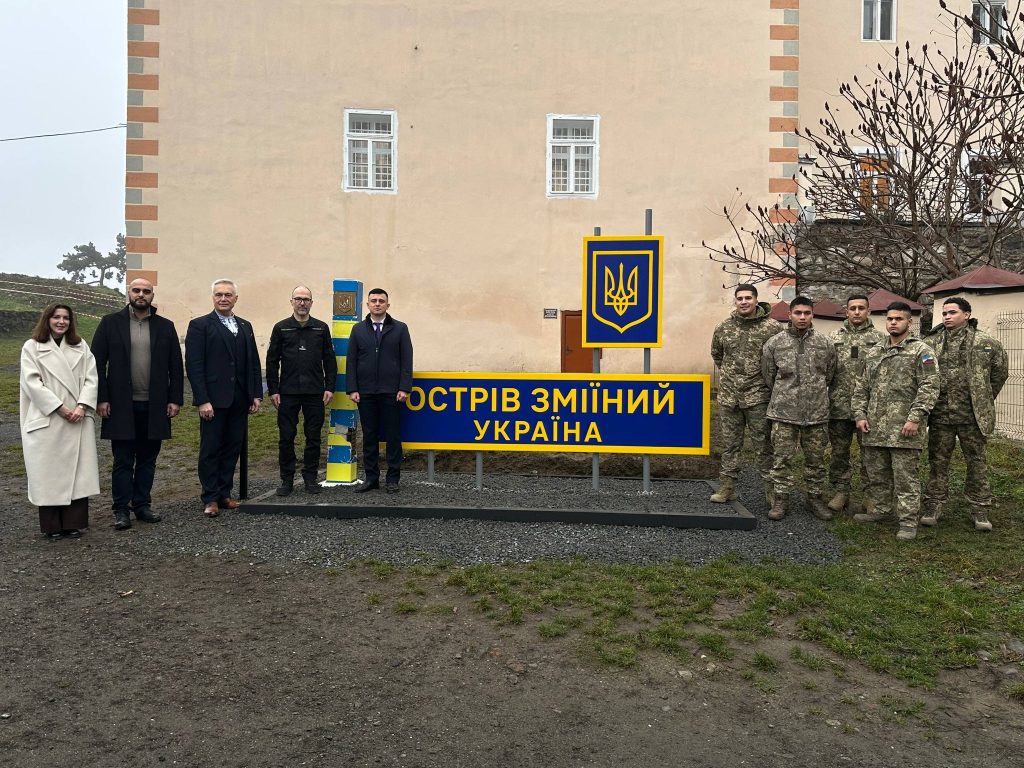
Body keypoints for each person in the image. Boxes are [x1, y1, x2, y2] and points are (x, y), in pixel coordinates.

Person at [92, 278, 185, 530]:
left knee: (147, 459)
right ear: (129, 293)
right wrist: (101, 397)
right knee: (123, 460)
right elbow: (96, 363)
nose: (141, 294)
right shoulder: (110, 323)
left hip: (155, 404)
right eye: (136, 290)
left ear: (152, 295)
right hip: (121, 404)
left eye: (146, 291)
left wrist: (175, 399)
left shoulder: (165, 326)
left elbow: (176, 366)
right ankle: (121, 509)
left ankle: (142, 505)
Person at [852, 302, 939, 541]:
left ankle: (908, 521)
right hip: (875, 426)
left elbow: (930, 386)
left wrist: (915, 418)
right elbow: (861, 386)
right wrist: (860, 415)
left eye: (898, 319)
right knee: (877, 474)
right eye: (890, 319)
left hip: (904, 428)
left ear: (909, 322)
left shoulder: (922, 351)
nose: (893, 323)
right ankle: (881, 510)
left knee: (905, 478)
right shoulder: (875, 351)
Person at [921, 297, 1009, 531]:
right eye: (944, 313)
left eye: (952, 312)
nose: (947, 317)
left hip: (972, 416)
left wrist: (983, 397)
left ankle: (980, 508)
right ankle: (933, 504)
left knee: (977, 462)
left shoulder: (986, 342)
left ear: (967, 314)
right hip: (941, 415)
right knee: (937, 461)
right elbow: (923, 373)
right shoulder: (930, 343)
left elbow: (1000, 373)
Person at [19, 303, 100, 538]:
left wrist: (82, 406)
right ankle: (52, 526)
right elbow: (32, 383)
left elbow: (91, 379)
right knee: (48, 474)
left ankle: (74, 523)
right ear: (47, 319)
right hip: (48, 418)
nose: (61, 322)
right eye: (56, 317)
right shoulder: (32, 347)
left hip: (78, 417)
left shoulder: (80, 346)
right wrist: (61, 408)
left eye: (66, 317)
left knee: (78, 474)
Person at [185, 279, 262, 517]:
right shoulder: (200, 325)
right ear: (213, 297)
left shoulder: (245, 326)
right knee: (211, 448)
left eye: (228, 295)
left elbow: (253, 362)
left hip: (239, 398)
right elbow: (194, 365)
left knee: (232, 447)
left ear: (235, 298)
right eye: (219, 294)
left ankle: (224, 493)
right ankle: (210, 497)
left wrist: (255, 394)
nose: (223, 298)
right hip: (213, 400)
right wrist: (202, 400)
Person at [761, 296, 837, 521]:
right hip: (784, 413)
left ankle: (815, 498)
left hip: (816, 413)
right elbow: (769, 376)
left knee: (816, 461)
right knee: (781, 459)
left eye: (806, 313)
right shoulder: (774, 343)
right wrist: (786, 395)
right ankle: (780, 499)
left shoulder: (825, 343)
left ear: (812, 315)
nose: (802, 317)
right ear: (790, 315)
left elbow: (829, 374)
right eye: (798, 313)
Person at [709, 283, 784, 504]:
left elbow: (780, 359)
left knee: (764, 446)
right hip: (729, 397)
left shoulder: (772, 328)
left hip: (758, 397)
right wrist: (733, 377)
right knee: (730, 445)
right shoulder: (724, 327)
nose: (744, 302)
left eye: (748, 298)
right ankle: (727, 487)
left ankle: (771, 491)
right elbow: (717, 354)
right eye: (740, 298)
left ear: (756, 300)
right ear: (735, 301)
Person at [266, 285, 337, 496]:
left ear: (311, 303)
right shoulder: (281, 328)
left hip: (315, 392)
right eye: (298, 299)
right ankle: (287, 479)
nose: (302, 303)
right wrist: (273, 389)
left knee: (313, 437)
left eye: (306, 299)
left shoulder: (320, 329)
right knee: (286, 437)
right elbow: (272, 361)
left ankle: (310, 478)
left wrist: (329, 387)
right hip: (287, 392)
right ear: (292, 302)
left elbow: (329, 360)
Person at [346, 288, 413, 493]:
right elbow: (351, 361)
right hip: (365, 392)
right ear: (367, 305)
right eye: (373, 300)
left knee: (393, 436)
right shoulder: (358, 330)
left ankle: (392, 479)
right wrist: (352, 388)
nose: (377, 304)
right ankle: (371, 478)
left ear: (387, 305)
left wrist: (404, 387)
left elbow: (406, 360)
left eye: (381, 301)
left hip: (392, 392)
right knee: (369, 436)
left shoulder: (400, 328)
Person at [826, 294, 886, 514]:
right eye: (853, 308)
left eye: (861, 308)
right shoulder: (833, 337)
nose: (857, 312)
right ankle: (841, 491)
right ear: (847, 311)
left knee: (870, 454)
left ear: (869, 311)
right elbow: (826, 370)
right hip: (839, 406)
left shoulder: (880, 339)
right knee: (839, 453)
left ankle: (870, 495)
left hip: (868, 408)